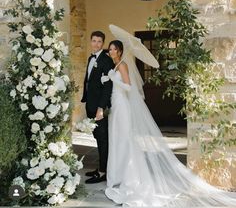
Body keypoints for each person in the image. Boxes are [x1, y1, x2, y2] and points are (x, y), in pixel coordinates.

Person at [104, 39, 236, 207]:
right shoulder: (116, 65)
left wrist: (113, 79)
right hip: (116, 105)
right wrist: (107, 79)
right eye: (110, 49)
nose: (111, 51)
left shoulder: (122, 66)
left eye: (114, 49)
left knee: (125, 139)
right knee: (117, 139)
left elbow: (129, 87)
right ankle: (118, 175)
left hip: (122, 106)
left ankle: (128, 176)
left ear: (120, 51)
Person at [81, 31, 114, 184]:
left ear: (103, 43)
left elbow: (108, 87)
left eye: (99, 41)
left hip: (99, 108)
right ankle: (100, 166)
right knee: (97, 138)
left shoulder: (106, 60)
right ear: (91, 41)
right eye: (93, 40)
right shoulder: (91, 58)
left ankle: (103, 172)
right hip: (91, 104)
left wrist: (101, 108)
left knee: (103, 139)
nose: (96, 44)